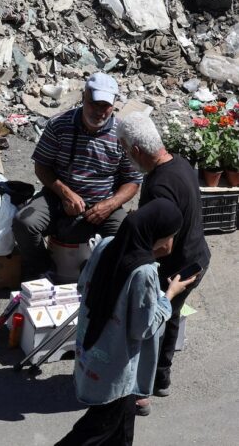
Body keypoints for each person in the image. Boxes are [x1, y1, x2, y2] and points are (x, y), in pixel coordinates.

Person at [56, 199, 196, 446]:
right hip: (117, 369)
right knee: (94, 431)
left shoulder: (107, 245)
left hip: (93, 351)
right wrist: (169, 295)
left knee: (121, 429)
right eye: (169, 236)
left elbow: (82, 286)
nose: (170, 243)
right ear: (157, 234)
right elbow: (143, 328)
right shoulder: (144, 272)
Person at [116, 112, 211, 415]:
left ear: (137, 151)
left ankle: (142, 393)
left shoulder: (159, 187)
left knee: (149, 321)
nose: (125, 156)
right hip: (196, 256)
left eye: (124, 149)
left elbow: (164, 245)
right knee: (170, 316)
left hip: (177, 265)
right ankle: (161, 379)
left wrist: (127, 258)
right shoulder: (179, 163)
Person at [13, 73, 143, 276]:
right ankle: (44, 269)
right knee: (24, 222)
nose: (99, 112)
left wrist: (109, 205)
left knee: (126, 233)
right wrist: (65, 193)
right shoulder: (59, 125)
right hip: (58, 196)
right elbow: (42, 166)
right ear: (83, 97)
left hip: (103, 202)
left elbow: (133, 181)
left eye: (105, 106)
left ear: (114, 104)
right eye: (94, 104)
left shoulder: (122, 134)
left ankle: (103, 280)